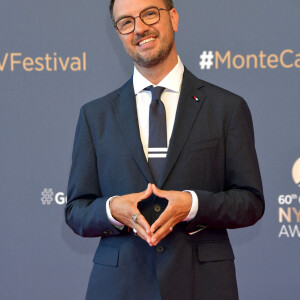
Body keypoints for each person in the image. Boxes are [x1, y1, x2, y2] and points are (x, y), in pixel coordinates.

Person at [65, 0, 265, 299]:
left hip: (204, 284)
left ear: (173, 17)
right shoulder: (95, 115)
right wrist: (113, 210)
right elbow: (77, 210)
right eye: (125, 22)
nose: (139, 28)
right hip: (119, 286)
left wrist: (192, 204)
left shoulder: (227, 108)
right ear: (118, 33)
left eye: (149, 14)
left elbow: (250, 202)